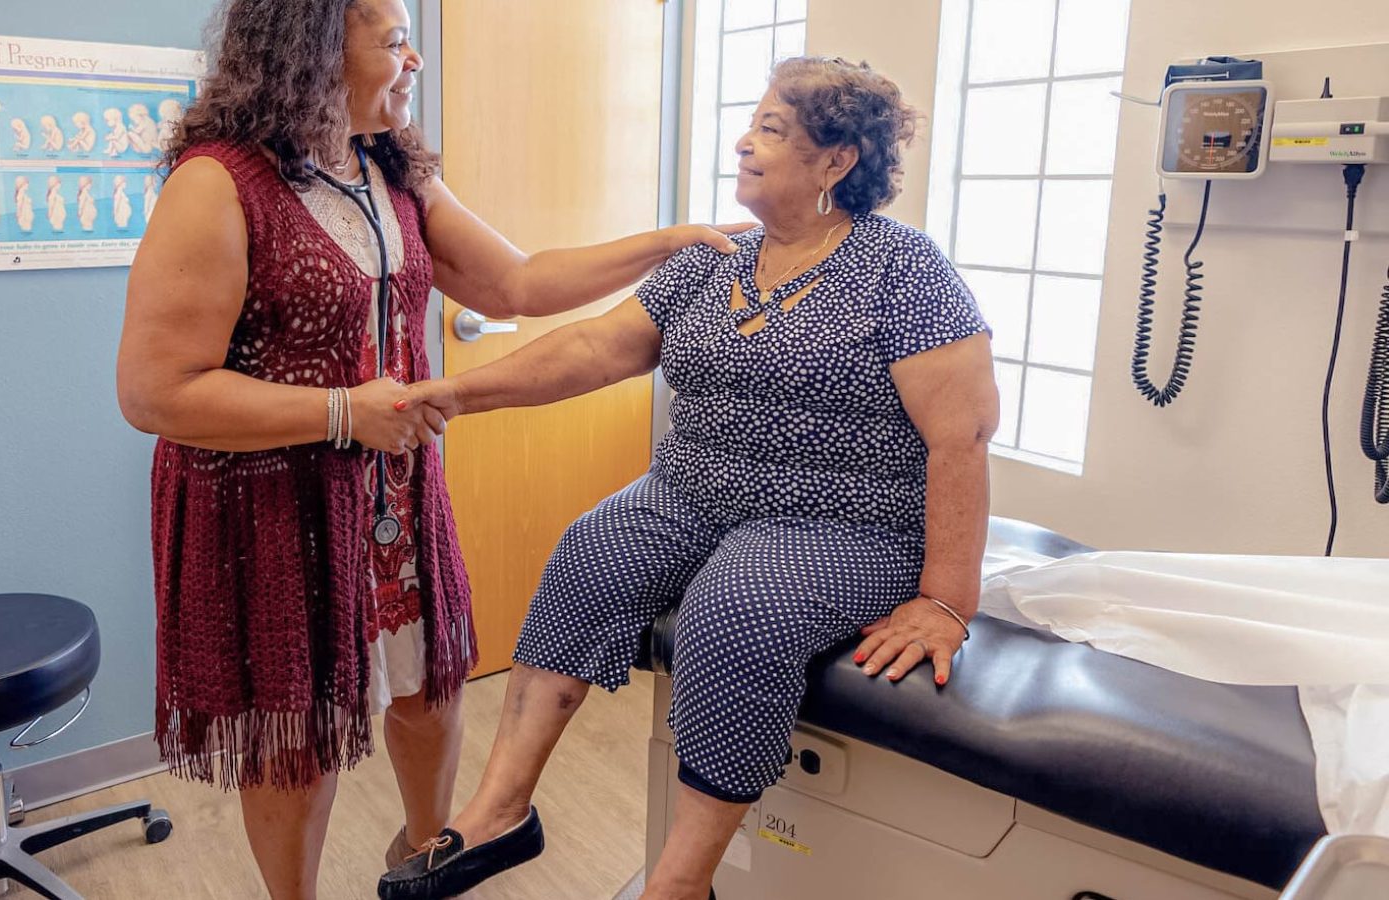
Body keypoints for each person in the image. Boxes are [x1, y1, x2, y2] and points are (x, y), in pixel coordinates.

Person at [113, 2, 741, 899]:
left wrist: (668, 243)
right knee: (303, 725)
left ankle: (423, 858)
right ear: (316, 49)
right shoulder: (217, 185)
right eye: (394, 40)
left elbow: (516, 281)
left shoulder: (389, 171)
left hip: (393, 493)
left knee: (429, 685)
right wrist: (341, 411)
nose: (413, 62)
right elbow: (154, 391)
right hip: (270, 507)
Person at [378, 57, 999, 900]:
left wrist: (945, 599)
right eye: (752, 123)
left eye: (772, 130)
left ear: (836, 162)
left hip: (843, 520)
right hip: (689, 495)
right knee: (589, 550)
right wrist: (457, 393)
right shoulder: (717, 258)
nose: (744, 141)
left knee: (736, 610)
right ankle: (499, 812)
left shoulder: (905, 270)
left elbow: (962, 437)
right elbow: (599, 349)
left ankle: (680, 882)